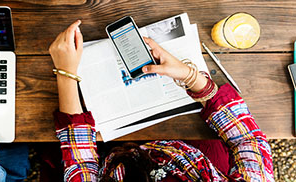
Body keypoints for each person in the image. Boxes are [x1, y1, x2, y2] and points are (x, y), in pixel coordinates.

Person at [49, 20, 274, 181]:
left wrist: (65, 72)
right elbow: (248, 140)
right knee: (215, 145)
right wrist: (189, 75)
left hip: (120, 157)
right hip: (194, 158)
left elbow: (81, 163)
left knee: (49, 153)